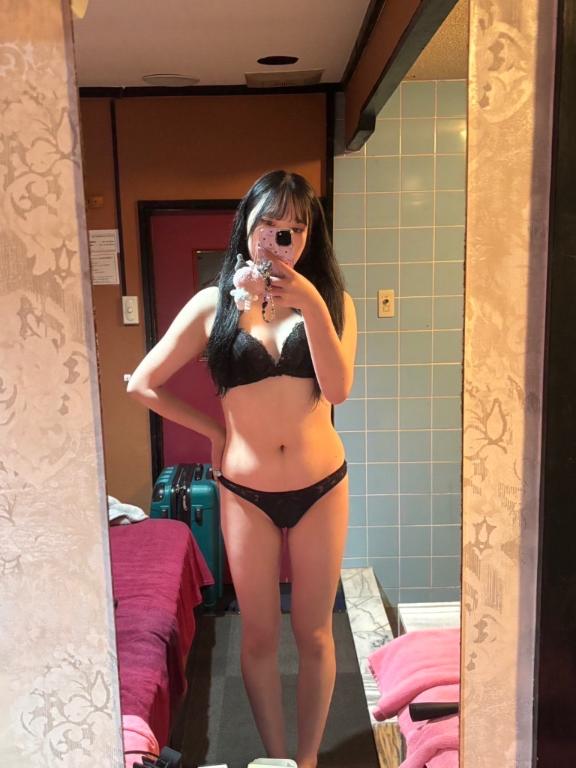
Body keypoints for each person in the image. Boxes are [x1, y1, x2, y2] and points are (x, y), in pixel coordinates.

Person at [127, 170, 357, 768]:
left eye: (294, 230)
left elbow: (338, 390)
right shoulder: (213, 305)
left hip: (321, 487)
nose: (278, 240)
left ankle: (308, 760)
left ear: (310, 237)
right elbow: (143, 384)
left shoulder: (331, 302)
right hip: (245, 491)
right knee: (257, 635)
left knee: (314, 631)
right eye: (267, 225)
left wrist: (309, 302)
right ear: (245, 225)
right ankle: (277, 759)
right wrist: (214, 432)